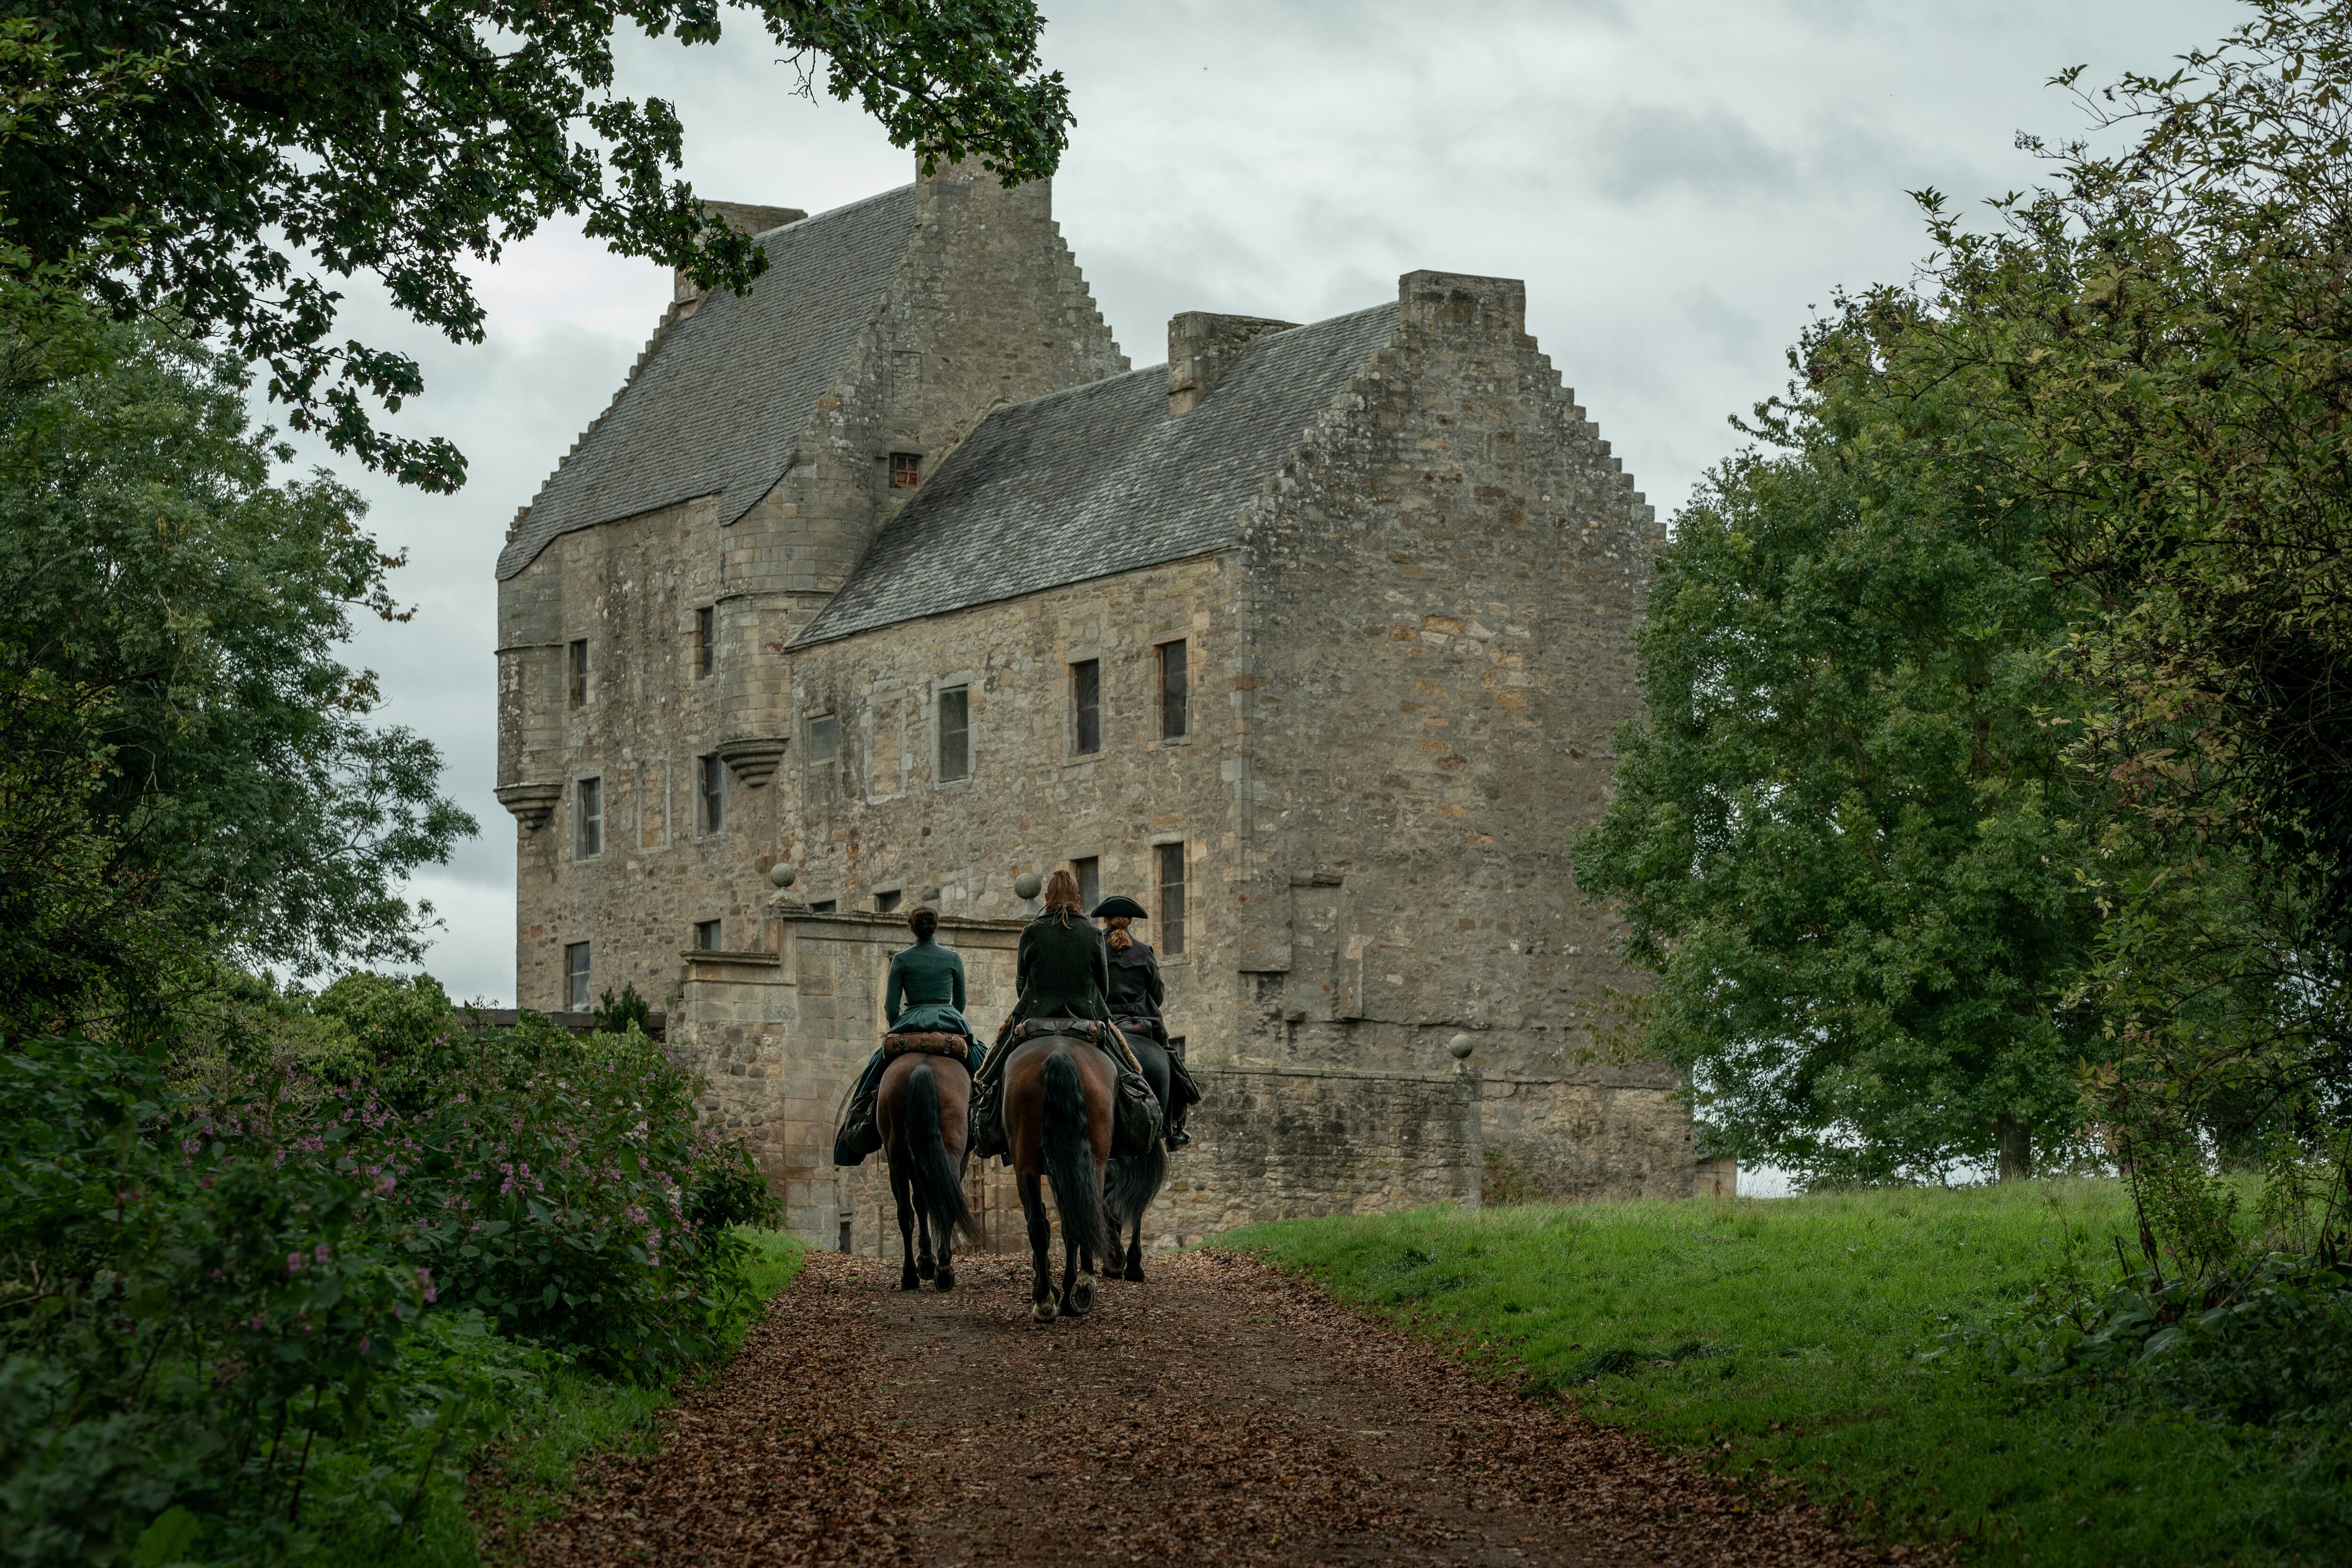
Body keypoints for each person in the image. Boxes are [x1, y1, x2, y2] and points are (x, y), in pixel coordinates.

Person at [832, 905, 985, 1167]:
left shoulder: (901, 959)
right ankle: (993, 1126)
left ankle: (854, 1131)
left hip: (908, 1023)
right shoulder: (953, 958)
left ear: (912, 929)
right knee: (984, 1069)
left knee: (870, 1076)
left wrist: (899, 1025)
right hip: (949, 1020)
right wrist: (948, 1019)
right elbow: (960, 1002)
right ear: (935, 927)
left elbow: (891, 1007)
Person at [1093, 894, 1199, 1149]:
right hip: (1141, 1025)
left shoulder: (1094, 948)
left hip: (1104, 1026)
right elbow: (1158, 994)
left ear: (1105, 920)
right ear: (1129, 922)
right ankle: (1174, 1129)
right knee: (1170, 1062)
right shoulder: (1144, 951)